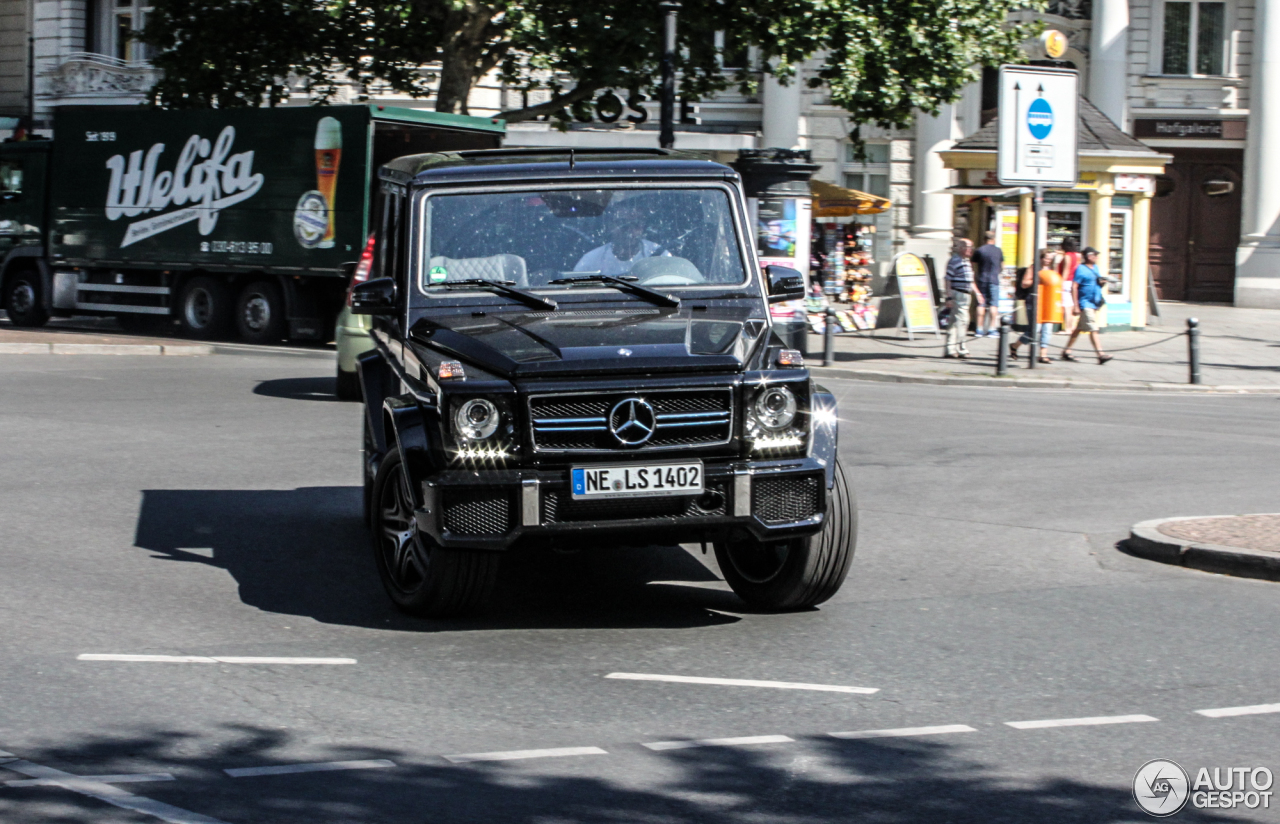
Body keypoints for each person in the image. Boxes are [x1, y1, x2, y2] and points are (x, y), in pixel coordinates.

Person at [574, 202, 668, 276]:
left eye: (636, 224)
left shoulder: (660, 257)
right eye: (622, 224)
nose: (629, 231)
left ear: (643, 227)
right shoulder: (590, 261)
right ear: (610, 226)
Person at [1060, 246, 1114, 364]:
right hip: (1085, 303)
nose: (1097, 257)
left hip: (1093, 302)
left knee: (1079, 328)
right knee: (1093, 328)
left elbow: (1095, 282)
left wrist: (1101, 282)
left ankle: (1066, 351)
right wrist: (1076, 305)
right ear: (1089, 256)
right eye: (1095, 255)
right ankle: (1100, 354)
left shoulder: (1095, 268)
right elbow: (1074, 287)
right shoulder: (1080, 269)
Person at [1009, 249, 1062, 364]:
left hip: (1048, 301)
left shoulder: (1050, 269)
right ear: (1040, 258)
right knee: (1034, 329)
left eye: (1049, 258)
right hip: (1033, 300)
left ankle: (1043, 355)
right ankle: (1015, 346)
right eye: (1045, 258)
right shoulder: (1033, 268)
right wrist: (1037, 279)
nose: (1048, 260)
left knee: (1047, 327)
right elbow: (1024, 283)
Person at [943, 237, 983, 359]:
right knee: (963, 321)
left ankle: (949, 349)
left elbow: (970, 281)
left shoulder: (966, 261)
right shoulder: (954, 260)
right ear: (961, 248)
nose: (971, 250)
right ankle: (962, 349)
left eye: (972, 247)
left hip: (966, 294)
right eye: (969, 247)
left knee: (954, 322)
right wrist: (949, 297)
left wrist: (978, 293)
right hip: (958, 294)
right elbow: (948, 279)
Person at [972, 231, 1004, 337]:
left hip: (982, 279)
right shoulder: (998, 251)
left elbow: (973, 266)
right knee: (993, 305)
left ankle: (979, 329)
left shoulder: (980, 250)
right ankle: (992, 329)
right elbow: (1002, 266)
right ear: (993, 239)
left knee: (981, 304)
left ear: (984, 239)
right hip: (994, 279)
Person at [1057, 236, 1081, 336]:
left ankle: (1067, 328)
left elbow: (1066, 271)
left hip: (1066, 282)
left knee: (1067, 307)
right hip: (1074, 281)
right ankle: (1072, 327)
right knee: (1071, 306)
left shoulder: (1067, 256)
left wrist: (1060, 283)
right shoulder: (1077, 255)